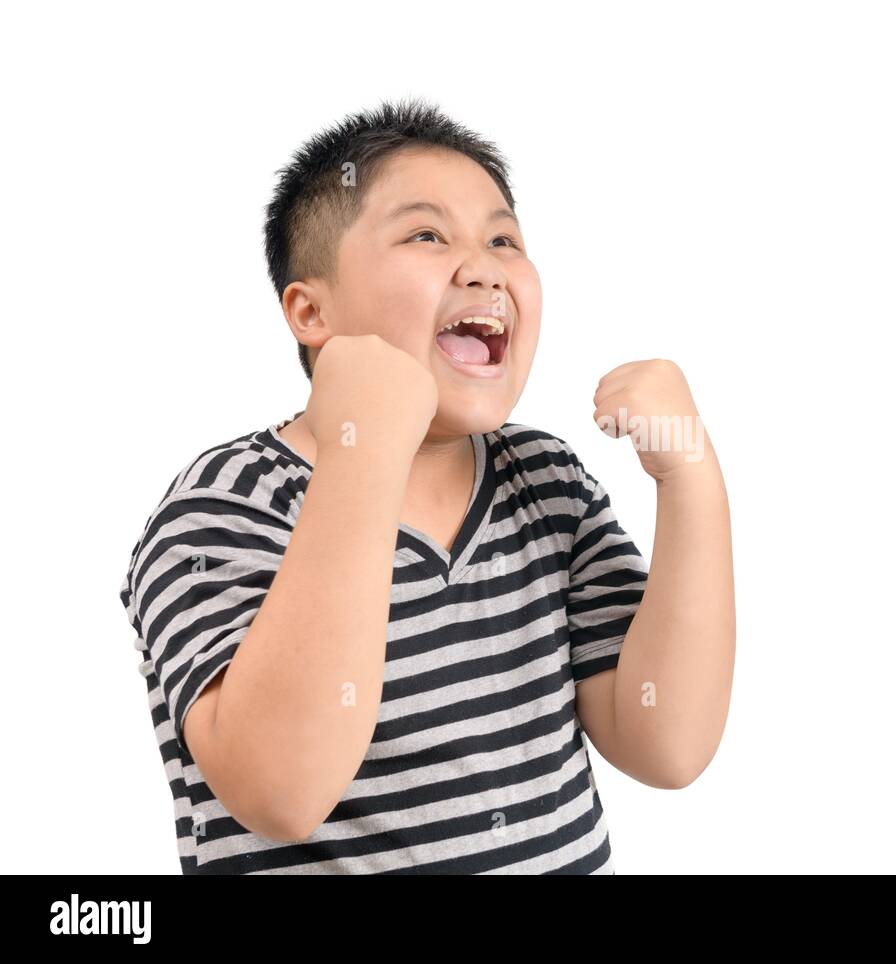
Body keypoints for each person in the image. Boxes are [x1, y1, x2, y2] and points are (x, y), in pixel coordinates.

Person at [118, 98, 735, 873]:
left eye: (504, 239)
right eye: (426, 234)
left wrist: (692, 479)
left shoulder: (547, 483)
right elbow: (280, 791)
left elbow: (665, 745)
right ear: (311, 311)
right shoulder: (222, 507)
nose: (483, 265)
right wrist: (366, 452)